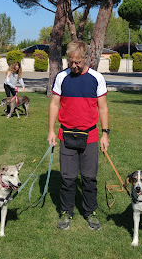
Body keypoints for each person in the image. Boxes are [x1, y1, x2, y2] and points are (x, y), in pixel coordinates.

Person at [47, 40, 110, 231]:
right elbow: (54, 104)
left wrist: (105, 134)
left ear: (86, 59)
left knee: (89, 178)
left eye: (77, 62)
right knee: (68, 178)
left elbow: (103, 107)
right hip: (66, 135)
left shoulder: (96, 78)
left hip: (90, 136)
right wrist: (51, 130)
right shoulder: (61, 77)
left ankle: (90, 212)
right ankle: (66, 212)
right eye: (71, 61)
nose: (73, 65)